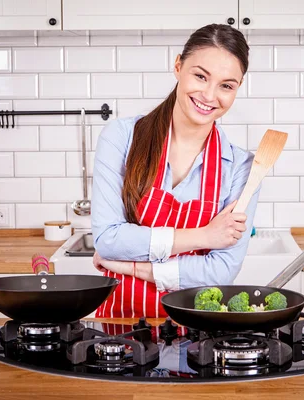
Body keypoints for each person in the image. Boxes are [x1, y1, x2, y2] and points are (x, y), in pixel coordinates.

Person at [90, 23, 260, 318]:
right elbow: (108, 240)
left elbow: (220, 272)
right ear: (178, 66)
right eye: (200, 76)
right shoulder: (121, 137)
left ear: (237, 89)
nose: (209, 95)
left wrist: (132, 266)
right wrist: (203, 237)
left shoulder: (243, 168)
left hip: (200, 334)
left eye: (226, 85)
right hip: (121, 332)